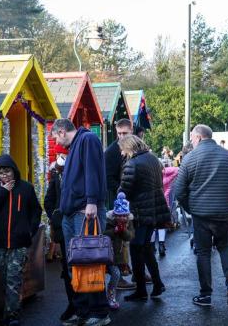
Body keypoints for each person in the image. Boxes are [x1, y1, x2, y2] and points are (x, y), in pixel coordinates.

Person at [172, 124, 228, 307]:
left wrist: (190, 208)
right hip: (224, 213)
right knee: (225, 247)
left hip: (201, 214)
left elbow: (179, 190)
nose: (191, 141)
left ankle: (206, 294)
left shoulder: (189, 158)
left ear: (199, 138)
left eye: (192, 138)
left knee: (203, 252)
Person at [50, 118, 110, 326]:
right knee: (76, 264)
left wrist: (92, 201)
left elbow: (93, 171)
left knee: (90, 261)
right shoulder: (77, 145)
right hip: (72, 213)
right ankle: (83, 311)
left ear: (61, 131)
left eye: (55, 138)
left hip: (83, 212)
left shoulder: (88, 140)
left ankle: (100, 312)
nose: (57, 144)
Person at [0, 155, 42, 326]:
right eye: (1, 173)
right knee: (3, 278)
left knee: (13, 279)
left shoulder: (26, 188)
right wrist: (4, 191)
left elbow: (36, 211)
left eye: (7, 171)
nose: (5, 176)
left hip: (19, 243)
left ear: (14, 171)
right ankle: (6, 310)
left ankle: (12, 315)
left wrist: (29, 231)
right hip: (0, 243)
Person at [118, 135, 171, 301]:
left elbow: (125, 189)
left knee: (136, 249)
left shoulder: (132, 163)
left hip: (140, 211)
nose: (121, 152)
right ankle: (157, 283)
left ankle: (141, 289)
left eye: (122, 148)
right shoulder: (153, 159)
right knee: (146, 248)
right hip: (154, 210)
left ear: (128, 147)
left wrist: (119, 196)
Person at [43, 144, 74, 322]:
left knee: (74, 265)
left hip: (71, 226)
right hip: (65, 228)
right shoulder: (57, 176)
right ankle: (74, 304)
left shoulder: (61, 175)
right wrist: (56, 219)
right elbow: (48, 201)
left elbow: (48, 202)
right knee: (70, 266)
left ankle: (77, 304)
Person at [103, 192, 135, 310]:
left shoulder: (129, 222)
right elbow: (103, 234)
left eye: (124, 216)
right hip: (105, 254)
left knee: (116, 275)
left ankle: (111, 295)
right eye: (119, 216)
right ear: (115, 215)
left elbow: (130, 237)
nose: (122, 218)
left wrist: (123, 231)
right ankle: (101, 297)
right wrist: (114, 231)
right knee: (101, 277)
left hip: (117, 256)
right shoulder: (109, 221)